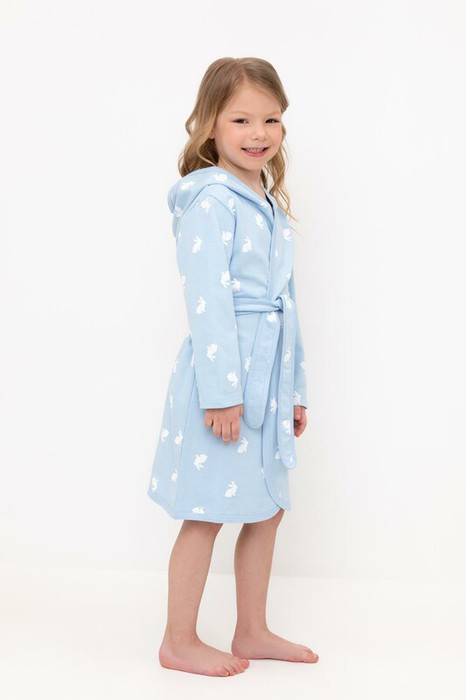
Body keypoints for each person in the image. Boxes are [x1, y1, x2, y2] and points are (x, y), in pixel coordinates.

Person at [147, 56, 319, 677]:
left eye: (271, 119)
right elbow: (208, 301)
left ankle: (252, 629)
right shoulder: (209, 201)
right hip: (223, 380)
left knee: (267, 506)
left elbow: (285, 303)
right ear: (210, 124)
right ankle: (178, 640)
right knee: (206, 511)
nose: (258, 133)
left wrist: (293, 389)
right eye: (241, 119)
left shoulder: (265, 200)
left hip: (267, 377)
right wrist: (220, 393)